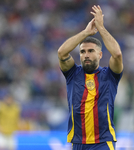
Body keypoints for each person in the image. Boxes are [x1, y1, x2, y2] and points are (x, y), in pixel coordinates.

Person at [58, 5, 123, 150]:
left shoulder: (110, 75)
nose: (86, 55)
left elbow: (117, 54)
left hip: (102, 142)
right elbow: (62, 52)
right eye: (82, 51)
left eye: (90, 51)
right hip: (78, 143)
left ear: (100, 55)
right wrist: (86, 32)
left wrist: (101, 28)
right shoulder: (72, 74)